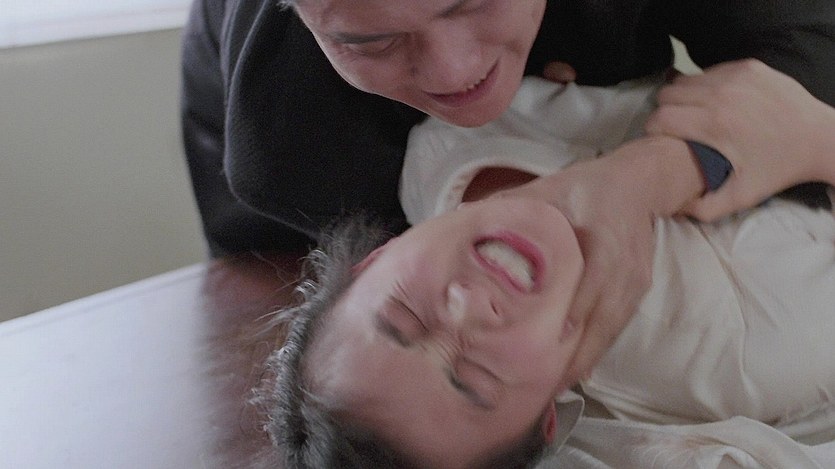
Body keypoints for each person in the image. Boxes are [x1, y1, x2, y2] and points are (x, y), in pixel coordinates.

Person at [181, 0, 835, 391]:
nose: (453, 71)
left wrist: (645, 178)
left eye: (471, 2)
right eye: (370, 39)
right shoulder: (289, 144)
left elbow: (812, 46)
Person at [254, 73, 835, 468]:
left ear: (372, 261)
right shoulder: (748, 356)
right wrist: (815, 140)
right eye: (476, 377)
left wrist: (647, 175)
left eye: (406, 314)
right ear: (548, 419)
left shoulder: (450, 134)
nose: (469, 305)